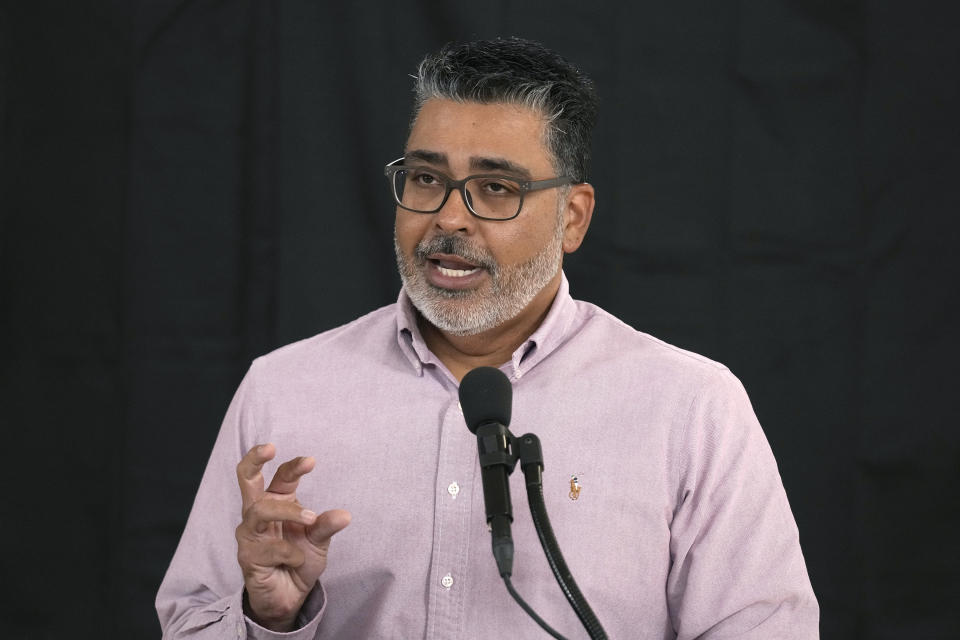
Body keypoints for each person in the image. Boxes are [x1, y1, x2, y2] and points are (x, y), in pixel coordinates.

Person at [157, 38, 819, 639]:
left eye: (495, 188)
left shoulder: (691, 408)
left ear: (573, 218)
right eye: (425, 178)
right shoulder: (284, 391)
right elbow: (190, 623)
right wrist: (269, 617)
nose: (448, 217)